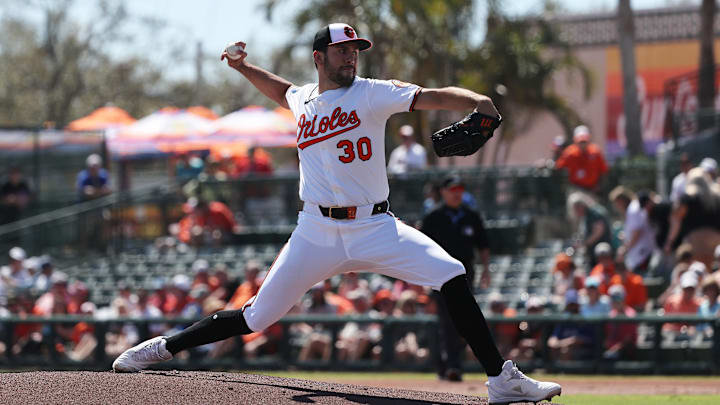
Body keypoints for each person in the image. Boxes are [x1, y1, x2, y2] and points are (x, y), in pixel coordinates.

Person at [112, 23, 560, 402]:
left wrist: (477, 100)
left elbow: (432, 95)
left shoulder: (373, 94)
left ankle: (501, 379)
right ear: (319, 58)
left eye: (355, 51)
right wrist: (242, 66)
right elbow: (280, 89)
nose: (351, 58)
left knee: (451, 272)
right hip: (316, 230)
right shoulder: (303, 99)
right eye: (342, 51)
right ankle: (163, 348)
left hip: (374, 225)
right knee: (255, 317)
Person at [420, 174, 491, 381]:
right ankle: (451, 365)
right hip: (438, 272)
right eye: (452, 189)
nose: (456, 193)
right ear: (443, 192)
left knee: (464, 320)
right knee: (446, 320)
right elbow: (421, 246)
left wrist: (486, 270)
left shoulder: (471, 216)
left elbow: (483, 246)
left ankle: (451, 364)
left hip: (465, 272)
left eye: (459, 189)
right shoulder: (433, 216)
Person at [555, 125, 608, 192]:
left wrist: (600, 186)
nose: (582, 144)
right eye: (580, 142)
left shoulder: (595, 152)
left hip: (592, 189)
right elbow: (558, 167)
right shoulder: (569, 153)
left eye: (584, 142)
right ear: (575, 140)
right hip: (575, 189)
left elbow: (603, 171)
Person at [568, 191, 612, 267]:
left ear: (580, 206)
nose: (576, 212)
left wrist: (584, 244)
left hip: (602, 254)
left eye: (576, 209)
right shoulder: (586, 216)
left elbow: (599, 232)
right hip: (593, 255)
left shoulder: (595, 213)